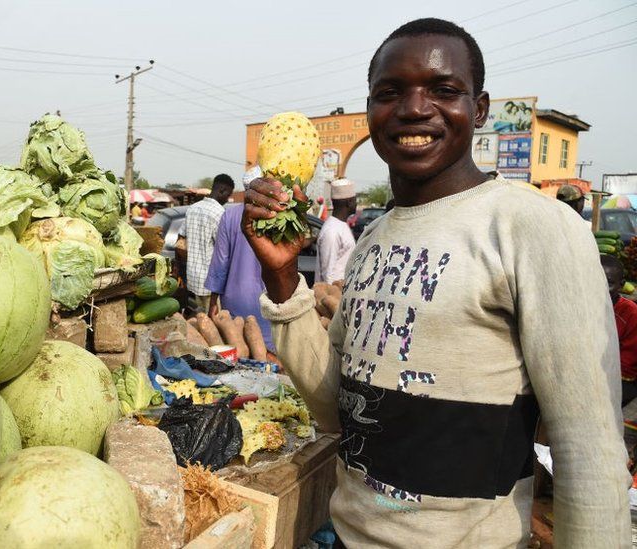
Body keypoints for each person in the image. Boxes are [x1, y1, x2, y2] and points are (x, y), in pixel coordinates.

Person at [243, 18, 629, 547]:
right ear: (372, 110)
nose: (414, 109)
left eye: (443, 90)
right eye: (390, 92)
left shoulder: (534, 227)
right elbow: (337, 412)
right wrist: (282, 276)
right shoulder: (372, 242)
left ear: (481, 109)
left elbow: (588, 446)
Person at [204, 172, 276, 355]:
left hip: (234, 299)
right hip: (268, 300)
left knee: (240, 357)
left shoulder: (229, 216)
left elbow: (220, 261)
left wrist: (213, 300)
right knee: (266, 356)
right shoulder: (275, 216)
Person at [178, 174, 234, 308]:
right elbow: (224, 251)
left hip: (194, 279)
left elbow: (180, 242)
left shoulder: (192, 209)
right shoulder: (220, 214)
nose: (227, 199)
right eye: (228, 195)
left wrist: (180, 270)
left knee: (202, 322)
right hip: (212, 284)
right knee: (216, 324)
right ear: (222, 191)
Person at [603, 254, 637, 406]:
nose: (601, 287)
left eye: (609, 283)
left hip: (620, 378)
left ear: (621, 285)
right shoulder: (586, 305)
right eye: (597, 280)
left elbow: (627, 362)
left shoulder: (630, 313)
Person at [316, 179, 357, 283]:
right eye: (355, 200)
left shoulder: (341, 225)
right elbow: (327, 273)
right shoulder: (332, 230)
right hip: (333, 295)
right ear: (349, 202)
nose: (356, 204)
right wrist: (333, 296)